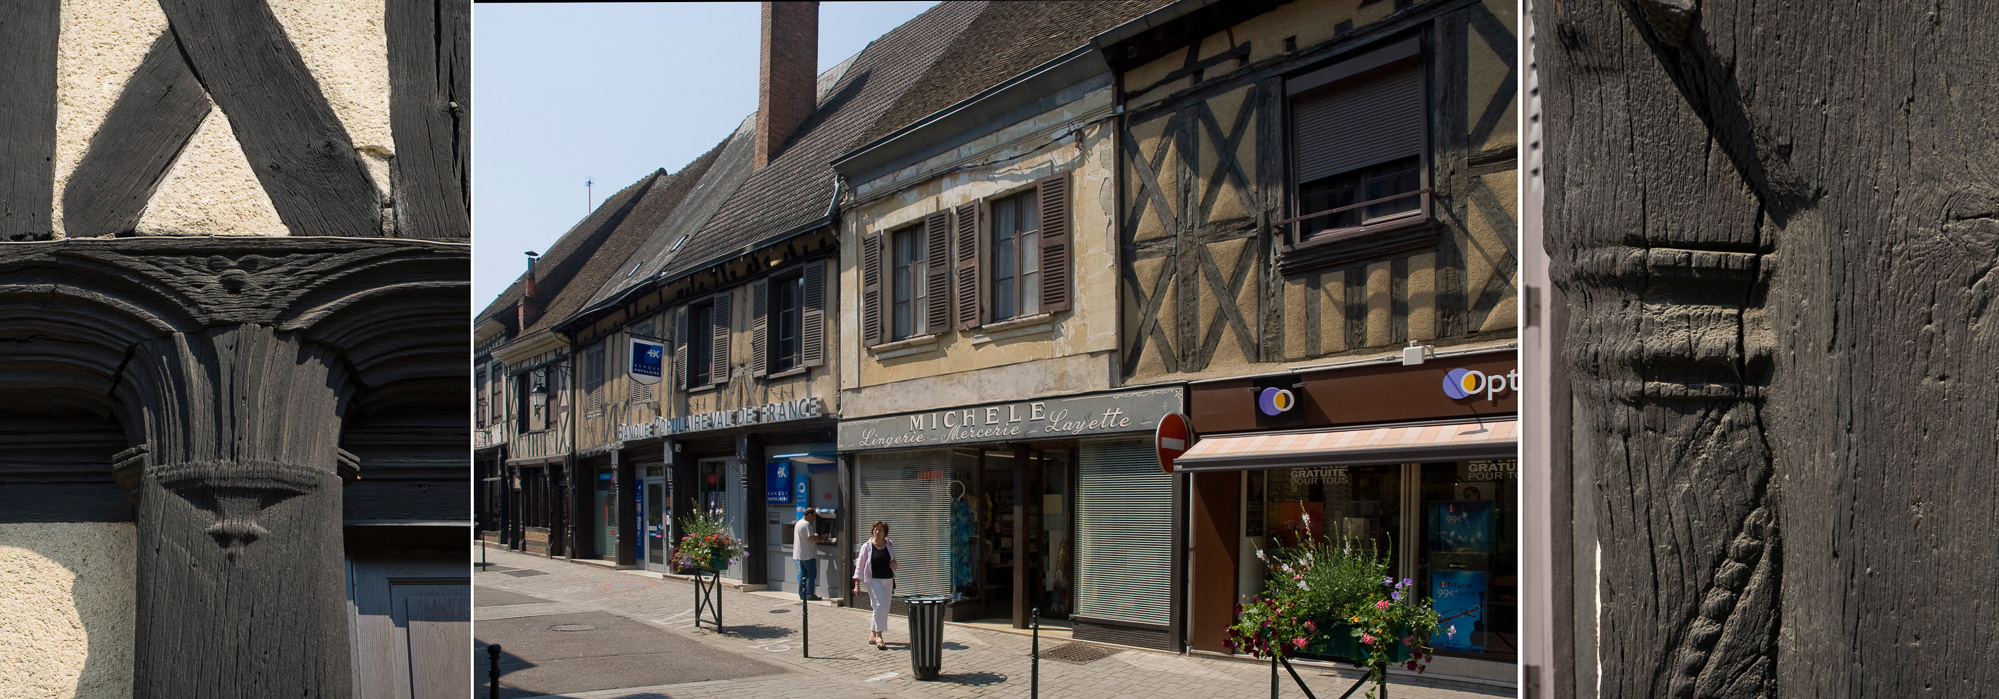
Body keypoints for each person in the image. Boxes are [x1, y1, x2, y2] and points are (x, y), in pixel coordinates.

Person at [852, 519, 897, 650]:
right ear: (873, 531)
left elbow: (895, 561)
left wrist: (894, 564)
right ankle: (879, 635)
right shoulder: (867, 546)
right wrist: (857, 584)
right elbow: (859, 566)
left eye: (881, 530)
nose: (878, 532)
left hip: (888, 580)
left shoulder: (889, 544)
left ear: (885, 533)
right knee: (880, 605)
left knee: (883, 608)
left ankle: (872, 633)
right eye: (876, 529)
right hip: (873, 580)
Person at [793, 508, 825, 601]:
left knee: (803, 574)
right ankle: (810, 594)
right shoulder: (806, 524)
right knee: (811, 574)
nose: (814, 519)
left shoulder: (798, 523)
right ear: (809, 515)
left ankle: (802, 594)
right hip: (808, 554)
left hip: (800, 553)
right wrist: (822, 538)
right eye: (814, 517)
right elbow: (811, 538)